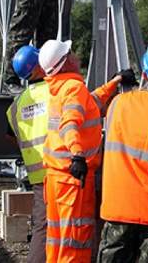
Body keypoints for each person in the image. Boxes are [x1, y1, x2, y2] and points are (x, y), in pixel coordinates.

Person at [38, 38, 133, 263]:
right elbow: (70, 123)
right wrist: (78, 154)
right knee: (74, 240)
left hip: (56, 177)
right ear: (66, 61)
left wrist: (114, 82)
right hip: (73, 179)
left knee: (58, 239)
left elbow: (91, 105)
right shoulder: (73, 88)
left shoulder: (61, 87)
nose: (76, 55)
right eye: (70, 52)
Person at [97, 42, 148, 263]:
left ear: (144, 72)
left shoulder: (117, 103)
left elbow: (90, 105)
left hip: (117, 207)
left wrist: (117, 83)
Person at [5, 45, 50, 263]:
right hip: (59, 170)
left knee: (42, 224)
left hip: (37, 174)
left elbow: (13, 136)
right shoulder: (54, 92)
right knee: (54, 227)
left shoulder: (15, 106)